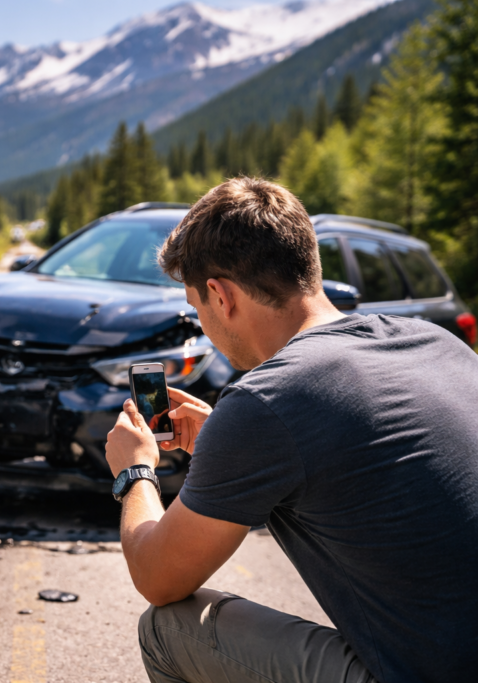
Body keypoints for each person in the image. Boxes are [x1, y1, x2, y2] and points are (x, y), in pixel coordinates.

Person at [104, 177, 478, 683]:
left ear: (220, 295)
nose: (205, 326)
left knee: (168, 629)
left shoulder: (269, 400)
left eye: (198, 309)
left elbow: (157, 576)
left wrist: (135, 473)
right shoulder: (437, 343)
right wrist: (228, 439)